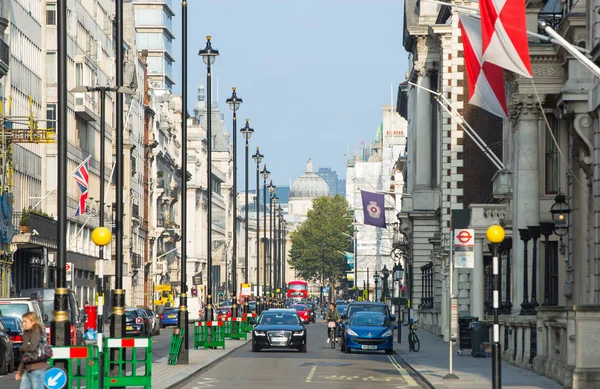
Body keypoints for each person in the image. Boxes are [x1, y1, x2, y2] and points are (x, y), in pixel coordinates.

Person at [15, 311, 49, 389]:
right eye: (23, 321)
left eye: (25, 321)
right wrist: (20, 370)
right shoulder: (27, 333)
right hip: (28, 367)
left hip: (37, 368)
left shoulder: (36, 331)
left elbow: (32, 347)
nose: (23, 324)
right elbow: (25, 355)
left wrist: (22, 347)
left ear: (32, 321)